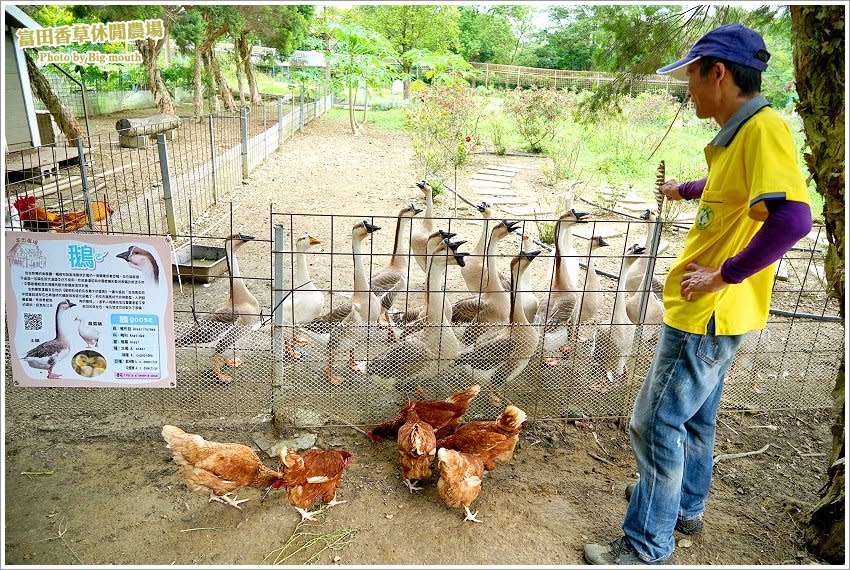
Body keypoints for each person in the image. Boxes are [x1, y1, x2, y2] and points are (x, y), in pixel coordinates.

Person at [583, 23, 812, 565]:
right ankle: (683, 506)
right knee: (695, 416)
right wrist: (682, 189)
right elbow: (733, 191)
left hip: (706, 310)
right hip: (718, 311)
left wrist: (725, 273)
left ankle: (646, 544)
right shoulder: (741, 131)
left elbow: (794, 218)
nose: (688, 89)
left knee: (655, 420)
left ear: (719, 73)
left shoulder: (763, 128)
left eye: (691, 76)